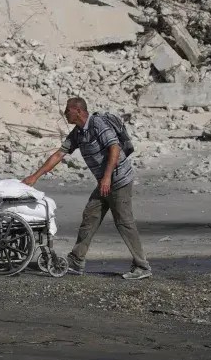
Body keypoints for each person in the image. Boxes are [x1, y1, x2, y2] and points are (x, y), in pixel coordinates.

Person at [22, 97, 151, 280]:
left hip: (119, 180)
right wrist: (35, 176)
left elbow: (114, 148)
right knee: (90, 216)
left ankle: (142, 266)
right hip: (104, 182)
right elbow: (59, 154)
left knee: (124, 222)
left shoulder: (97, 124)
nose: (65, 113)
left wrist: (107, 177)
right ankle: (76, 260)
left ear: (78, 111)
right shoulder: (78, 133)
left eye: (67, 110)